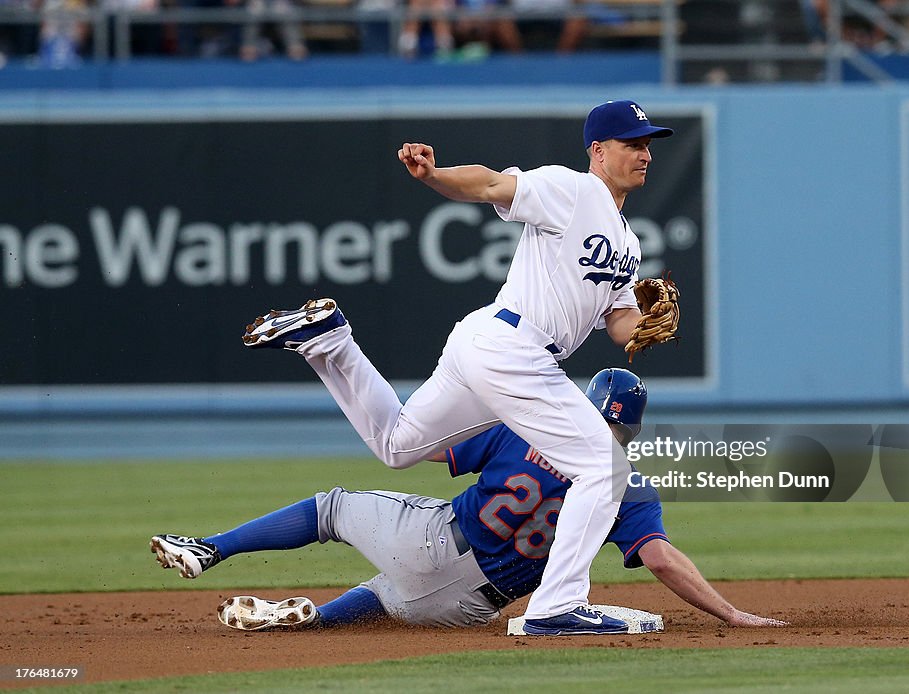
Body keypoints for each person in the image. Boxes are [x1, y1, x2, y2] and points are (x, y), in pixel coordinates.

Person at [239, 99, 674, 636]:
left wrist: (651, 324)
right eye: (633, 143)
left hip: (490, 346)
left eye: (648, 144)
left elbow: (620, 324)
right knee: (603, 469)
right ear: (598, 150)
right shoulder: (575, 190)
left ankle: (328, 342)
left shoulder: (627, 241)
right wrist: (434, 175)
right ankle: (556, 606)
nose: (645, 153)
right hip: (513, 348)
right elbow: (492, 185)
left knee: (397, 446)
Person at [151, 369, 788, 633]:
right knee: (385, 598)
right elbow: (662, 560)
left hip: (435, 541)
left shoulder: (528, 427)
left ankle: (211, 548)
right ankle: (317, 623)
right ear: (632, 429)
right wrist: (731, 615)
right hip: (470, 606)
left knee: (331, 509)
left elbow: (429, 449)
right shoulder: (630, 485)